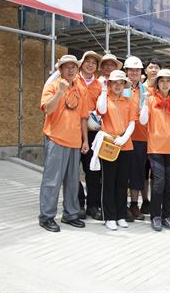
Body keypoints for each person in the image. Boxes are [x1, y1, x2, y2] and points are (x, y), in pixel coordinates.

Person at [38, 55, 90, 232]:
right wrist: (60, 91)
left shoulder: (79, 89)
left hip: (75, 141)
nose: (70, 70)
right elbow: (47, 109)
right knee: (52, 181)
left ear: (77, 70)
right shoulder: (52, 86)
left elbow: (83, 117)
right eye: (66, 67)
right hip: (56, 139)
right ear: (60, 70)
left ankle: (71, 214)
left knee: (73, 181)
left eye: (73, 67)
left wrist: (85, 140)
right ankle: (46, 217)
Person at [139, 69, 170, 232]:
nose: (165, 83)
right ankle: (156, 216)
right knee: (158, 183)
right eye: (162, 80)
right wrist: (145, 103)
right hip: (155, 147)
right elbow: (143, 120)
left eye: (168, 81)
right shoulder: (150, 99)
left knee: (169, 184)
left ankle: (167, 216)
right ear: (157, 84)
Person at [96, 70, 138, 230]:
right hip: (109, 144)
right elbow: (102, 110)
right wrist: (104, 89)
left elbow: (132, 123)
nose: (118, 86)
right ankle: (109, 216)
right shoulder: (104, 98)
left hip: (125, 145)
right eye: (115, 83)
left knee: (122, 182)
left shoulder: (129, 101)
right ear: (110, 84)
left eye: (121, 83)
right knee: (109, 181)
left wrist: (125, 137)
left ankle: (121, 214)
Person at [75, 51, 103, 221]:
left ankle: (93, 205)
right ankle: (78, 203)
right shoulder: (73, 80)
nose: (90, 65)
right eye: (87, 61)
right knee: (72, 171)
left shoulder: (99, 85)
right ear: (81, 63)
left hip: (93, 133)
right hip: (72, 131)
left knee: (92, 170)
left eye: (94, 62)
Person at [124, 56, 148, 221]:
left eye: (137, 70)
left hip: (140, 137)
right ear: (126, 71)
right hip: (122, 137)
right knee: (122, 173)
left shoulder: (146, 91)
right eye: (131, 70)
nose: (134, 73)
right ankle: (122, 204)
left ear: (141, 73)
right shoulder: (119, 87)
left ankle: (134, 204)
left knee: (137, 173)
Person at [141, 57, 163, 215]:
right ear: (145, 70)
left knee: (157, 174)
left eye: (156, 67)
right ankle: (145, 201)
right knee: (143, 173)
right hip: (142, 138)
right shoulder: (141, 88)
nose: (154, 70)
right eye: (151, 67)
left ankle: (156, 203)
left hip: (158, 140)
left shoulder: (162, 89)